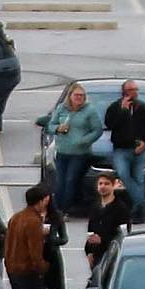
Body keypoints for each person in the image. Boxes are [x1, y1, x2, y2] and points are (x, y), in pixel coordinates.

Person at [101, 79, 145, 221]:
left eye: (136, 90)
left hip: (139, 150)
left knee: (139, 179)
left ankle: (139, 213)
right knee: (123, 174)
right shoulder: (115, 107)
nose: (134, 93)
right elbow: (110, 125)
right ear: (124, 92)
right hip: (121, 149)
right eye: (131, 90)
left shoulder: (144, 108)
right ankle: (143, 204)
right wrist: (123, 111)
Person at [3, 185, 53, 289]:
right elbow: (34, 251)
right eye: (45, 199)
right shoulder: (33, 221)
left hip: (12, 267)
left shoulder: (17, 217)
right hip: (26, 270)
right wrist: (43, 266)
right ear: (40, 201)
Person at [46, 83, 99, 216]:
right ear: (70, 96)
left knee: (70, 179)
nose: (79, 98)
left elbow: (97, 130)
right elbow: (50, 125)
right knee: (60, 181)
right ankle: (56, 210)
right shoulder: (62, 109)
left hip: (80, 153)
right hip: (62, 151)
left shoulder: (89, 111)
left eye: (81, 95)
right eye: (76, 95)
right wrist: (58, 128)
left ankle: (65, 209)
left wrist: (84, 140)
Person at [82, 168, 133, 280]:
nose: (103, 186)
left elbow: (123, 234)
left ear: (114, 185)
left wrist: (103, 240)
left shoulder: (121, 208)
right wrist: (89, 251)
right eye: (100, 184)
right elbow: (91, 230)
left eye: (107, 184)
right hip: (96, 254)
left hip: (112, 254)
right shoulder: (95, 207)